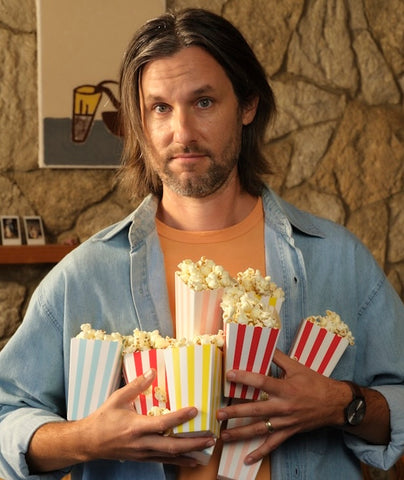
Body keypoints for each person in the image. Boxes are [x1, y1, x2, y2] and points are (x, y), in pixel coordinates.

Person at [0, 7, 403, 480]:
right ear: (141, 121)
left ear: (247, 105)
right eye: (160, 108)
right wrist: (85, 439)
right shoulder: (84, 275)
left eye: (204, 102)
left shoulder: (339, 260)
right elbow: (7, 416)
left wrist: (342, 403)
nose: (183, 133)